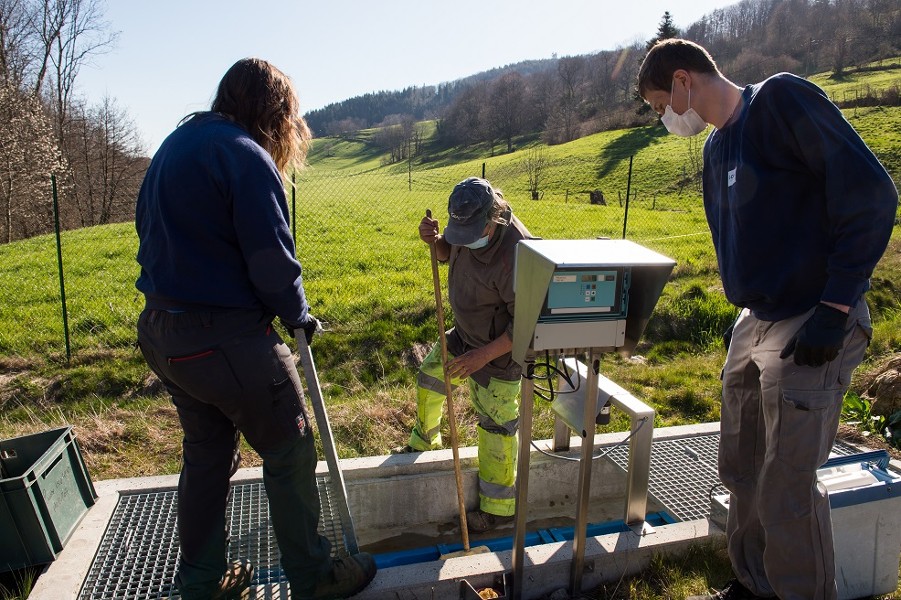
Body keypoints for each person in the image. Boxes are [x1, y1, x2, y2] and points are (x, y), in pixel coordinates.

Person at [637, 39, 898, 600]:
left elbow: (871, 196)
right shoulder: (715, 151)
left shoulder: (780, 102)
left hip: (813, 314)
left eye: (661, 104)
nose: (665, 118)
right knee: (742, 467)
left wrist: (834, 308)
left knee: (786, 484)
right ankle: (754, 586)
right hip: (754, 321)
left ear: (684, 80)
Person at [134, 58, 376, 600]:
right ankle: (314, 578)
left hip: (163, 335)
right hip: (224, 338)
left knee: (207, 454)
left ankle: (201, 583)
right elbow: (271, 258)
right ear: (275, 113)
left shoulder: (177, 145)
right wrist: (297, 315)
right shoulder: (244, 155)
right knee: (290, 446)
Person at [398, 177, 532, 533]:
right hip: (464, 335)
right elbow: (447, 251)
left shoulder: (520, 254)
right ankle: (425, 440)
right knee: (429, 378)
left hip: (500, 356)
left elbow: (526, 326)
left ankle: (498, 509)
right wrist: (435, 241)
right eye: (460, 231)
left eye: (472, 231)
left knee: (496, 427)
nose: (465, 239)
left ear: (495, 218)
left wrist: (481, 358)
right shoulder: (466, 225)